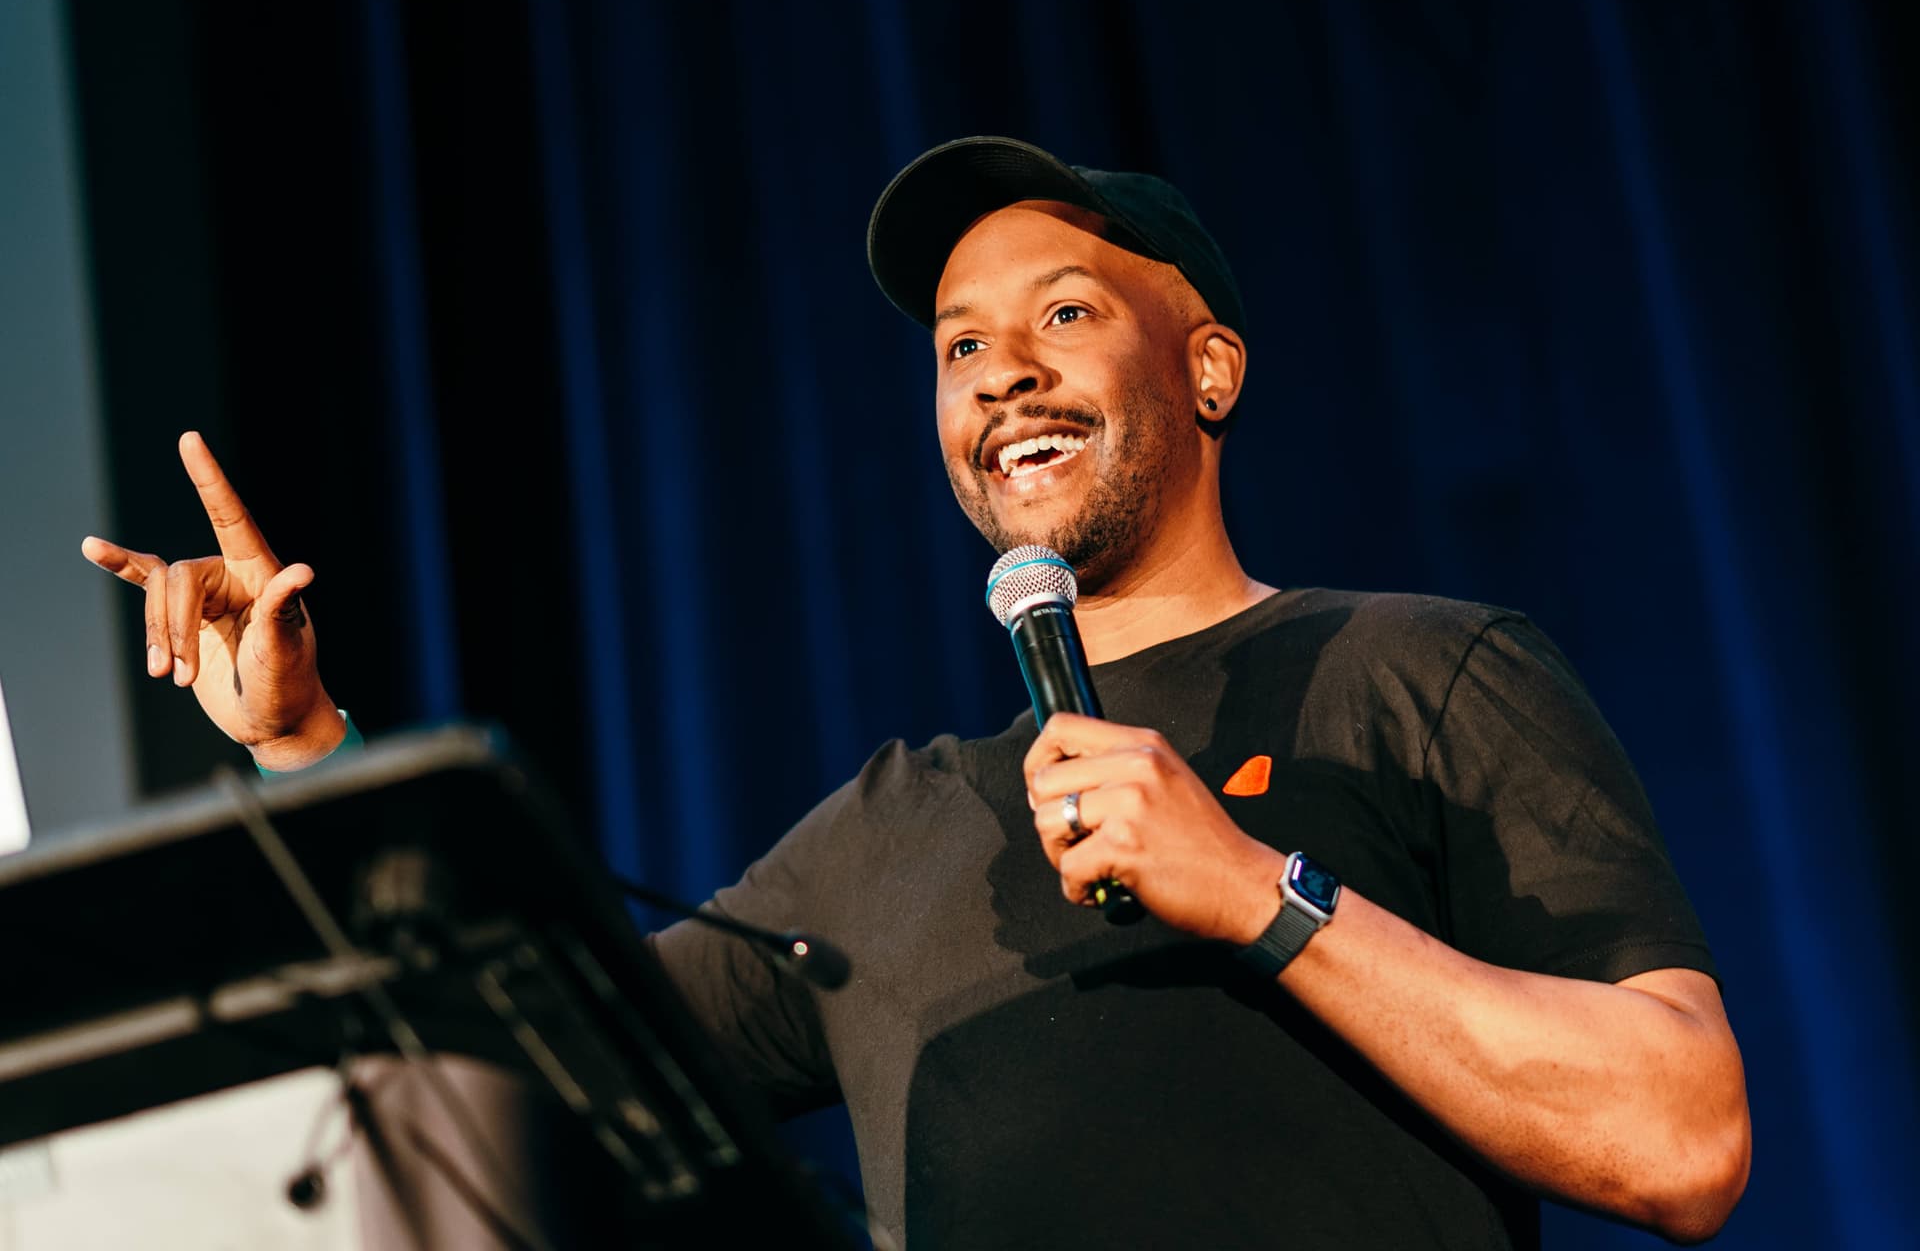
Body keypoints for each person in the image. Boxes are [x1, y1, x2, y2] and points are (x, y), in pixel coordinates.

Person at [83, 137, 1749, 1249]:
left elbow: (1681, 1140)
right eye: (958, 348)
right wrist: (305, 743)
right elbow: (526, 1065)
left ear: (1211, 367)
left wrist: (1261, 895)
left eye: (1067, 315)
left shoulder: (1422, 669)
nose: (1001, 370)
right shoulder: (889, 828)